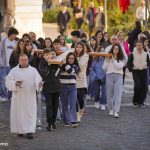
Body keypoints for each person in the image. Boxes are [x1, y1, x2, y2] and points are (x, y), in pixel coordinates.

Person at [5, 54, 42, 139]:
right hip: (18, 96)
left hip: (30, 95)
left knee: (30, 113)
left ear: (28, 60)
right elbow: (8, 82)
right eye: (22, 60)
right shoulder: (13, 71)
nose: (24, 61)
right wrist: (15, 83)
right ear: (19, 61)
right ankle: (20, 130)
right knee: (19, 113)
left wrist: (39, 84)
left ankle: (30, 131)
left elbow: (38, 80)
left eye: (25, 60)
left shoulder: (33, 70)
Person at [39, 49, 61, 131]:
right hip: (47, 88)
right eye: (47, 54)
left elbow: (57, 74)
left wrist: (59, 66)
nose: (49, 56)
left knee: (55, 106)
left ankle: (53, 122)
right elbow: (44, 74)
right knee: (49, 106)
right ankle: (49, 123)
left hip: (56, 87)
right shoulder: (42, 63)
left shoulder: (55, 62)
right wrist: (48, 65)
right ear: (44, 55)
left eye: (50, 54)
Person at [102, 44, 125, 118]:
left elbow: (119, 66)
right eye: (114, 48)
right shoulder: (108, 57)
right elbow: (104, 68)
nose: (115, 50)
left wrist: (113, 59)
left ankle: (116, 111)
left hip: (118, 76)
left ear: (119, 50)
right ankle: (110, 109)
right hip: (109, 76)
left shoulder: (121, 58)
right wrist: (107, 60)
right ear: (112, 49)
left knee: (117, 95)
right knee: (109, 94)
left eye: (117, 49)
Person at [127, 41, 150, 108]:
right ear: (136, 46)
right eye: (137, 45)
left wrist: (146, 65)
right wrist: (132, 69)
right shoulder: (132, 54)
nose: (139, 46)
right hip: (136, 71)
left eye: (140, 45)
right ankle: (135, 101)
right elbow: (129, 63)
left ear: (142, 46)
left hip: (144, 71)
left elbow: (148, 62)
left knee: (144, 87)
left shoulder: (146, 54)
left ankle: (141, 102)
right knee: (138, 86)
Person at [60, 52, 80, 127]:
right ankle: (65, 121)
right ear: (67, 58)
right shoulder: (61, 66)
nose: (71, 59)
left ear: (74, 59)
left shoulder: (75, 66)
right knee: (64, 104)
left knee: (73, 103)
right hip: (63, 86)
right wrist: (64, 65)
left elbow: (70, 71)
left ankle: (73, 120)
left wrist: (65, 64)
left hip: (72, 87)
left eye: (72, 58)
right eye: (69, 58)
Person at [0, 27, 19, 102]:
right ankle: (3, 96)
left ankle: (10, 96)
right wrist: (0, 62)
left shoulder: (15, 42)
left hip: (12, 65)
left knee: (12, 81)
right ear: (11, 34)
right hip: (4, 65)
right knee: (3, 80)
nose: (15, 36)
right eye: (14, 34)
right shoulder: (3, 41)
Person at [74, 42, 89, 122]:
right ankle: (77, 114)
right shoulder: (73, 55)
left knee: (80, 98)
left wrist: (72, 64)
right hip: (74, 79)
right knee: (74, 98)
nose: (78, 48)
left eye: (80, 47)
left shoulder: (86, 56)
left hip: (81, 80)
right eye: (77, 47)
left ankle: (81, 111)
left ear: (83, 48)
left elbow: (80, 65)